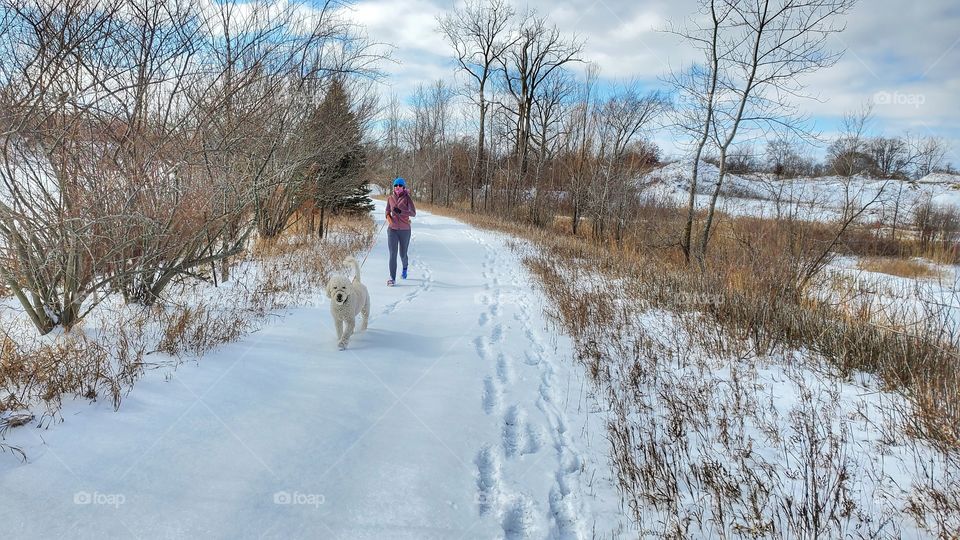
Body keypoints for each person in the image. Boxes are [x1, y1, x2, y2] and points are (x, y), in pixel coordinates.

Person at [385, 177, 416, 286]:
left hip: (405, 230)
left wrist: (401, 211)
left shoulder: (407, 198)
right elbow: (387, 211)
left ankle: (405, 268)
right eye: (396, 185)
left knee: (402, 254)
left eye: (400, 185)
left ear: (403, 187)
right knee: (393, 254)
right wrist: (389, 219)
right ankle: (392, 278)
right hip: (392, 230)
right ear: (393, 187)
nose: (397, 187)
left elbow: (413, 213)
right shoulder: (390, 198)